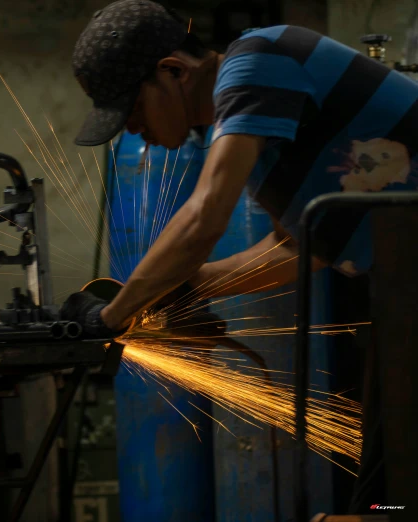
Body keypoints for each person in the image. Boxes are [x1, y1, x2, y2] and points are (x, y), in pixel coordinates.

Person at [59, 0, 418, 516]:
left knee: (395, 491)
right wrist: (191, 287)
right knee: (388, 498)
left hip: (409, 284)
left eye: (133, 111)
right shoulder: (258, 130)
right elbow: (302, 247)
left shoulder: (258, 59)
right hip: (401, 289)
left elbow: (205, 215)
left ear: (174, 70)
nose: (133, 130)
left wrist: (112, 317)